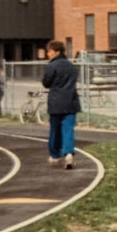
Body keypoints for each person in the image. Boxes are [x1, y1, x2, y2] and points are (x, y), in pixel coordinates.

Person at [42, 40, 80, 169]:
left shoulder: (52, 66)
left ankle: (55, 155)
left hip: (56, 102)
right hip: (71, 101)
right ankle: (68, 153)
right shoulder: (71, 66)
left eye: (49, 51)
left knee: (55, 130)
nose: (48, 54)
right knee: (68, 129)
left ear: (56, 51)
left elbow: (46, 82)